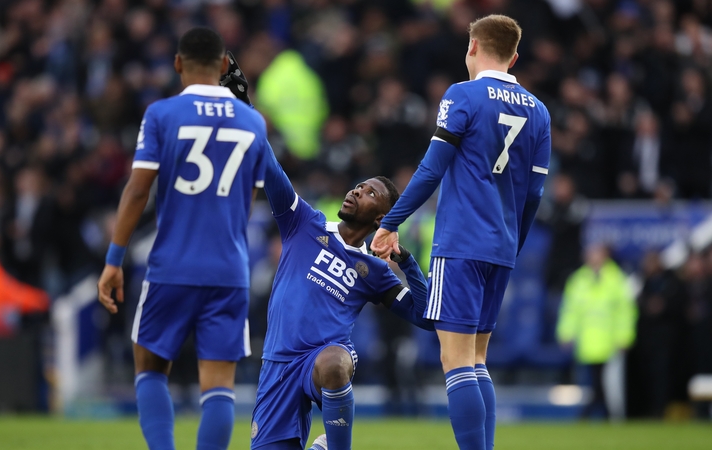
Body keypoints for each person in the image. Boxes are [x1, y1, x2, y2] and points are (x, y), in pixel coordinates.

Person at [371, 15, 552, 450]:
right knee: (477, 360)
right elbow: (534, 194)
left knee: (455, 362)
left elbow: (432, 169)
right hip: (502, 248)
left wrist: (389, 223)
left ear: (472, 48)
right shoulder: (540, 111)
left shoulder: (462, 95)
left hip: (462, 243)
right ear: (514, 56)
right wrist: (513, 243)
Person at [97, 28, 270, 450]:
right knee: (219, 385)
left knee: (150, 368)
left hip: (173, 265)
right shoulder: (253, 121)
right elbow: (248, 200)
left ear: (177, 63)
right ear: (226, 65)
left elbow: (138, 190)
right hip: (229, 270)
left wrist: (113, 260)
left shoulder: (161, 114)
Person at [248, 146, 433, 450]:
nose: (357, 191)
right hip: (277, 362)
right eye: (359, 186)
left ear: (381, 218)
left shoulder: (374, 270)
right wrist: (248, 112)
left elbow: (425, 316)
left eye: (370, 193)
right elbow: (271, 169)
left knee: (334, 362)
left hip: (322, 359)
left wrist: (407, 263)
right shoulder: (305, 223)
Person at [556, 244, 636, 419]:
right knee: (597, 383)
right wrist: (566, 333)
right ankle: (605, 415)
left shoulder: (617, 279)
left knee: (605, 384)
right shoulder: (578, 280)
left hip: (611, 343)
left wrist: (624, 337)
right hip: (588, 342)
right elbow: (570, 310)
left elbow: (625, 312)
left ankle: (594, 414)